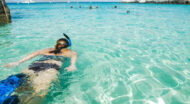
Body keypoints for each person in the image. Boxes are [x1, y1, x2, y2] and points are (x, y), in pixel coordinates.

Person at [2, 33, 78, 104]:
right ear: (67, 46)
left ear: (56, 44)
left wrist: (18, 62)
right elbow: (74, 56)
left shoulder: (47, 49)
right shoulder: (70, 52)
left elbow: (33, 54)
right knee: (38, 93)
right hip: (50, 70)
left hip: (33, 67)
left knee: (19, 88)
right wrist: (72, 65)